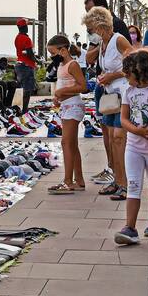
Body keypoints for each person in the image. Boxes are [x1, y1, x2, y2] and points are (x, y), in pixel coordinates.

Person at [115, 51, 148, 245]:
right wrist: (137, 131)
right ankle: (130, 227)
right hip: (134, 147)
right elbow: (123, 119)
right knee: (134, 185)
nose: (127, 79)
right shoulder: (128, 91)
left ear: (140, 71)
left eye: (128, 74)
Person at [85, 6, 131, 199]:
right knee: (113, 140)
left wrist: (112, 75)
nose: (91, 32)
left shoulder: (118, 40)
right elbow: (88, 60)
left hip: (123, 95)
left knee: (119, 139)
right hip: (111, 96)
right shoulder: (103, 45)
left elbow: (134, 64)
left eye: (92, 28)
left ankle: (125, 184)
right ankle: (118, 181)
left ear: (100, 25)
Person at [46, 34, 87, 194]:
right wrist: (59, 97)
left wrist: (62, 91)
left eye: (53, 52)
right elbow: (68, 85)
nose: (51, 56)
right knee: (72, 144)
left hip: (73, 106)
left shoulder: (72, 64)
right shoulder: (62, 66)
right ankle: (79, 180)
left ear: (63, 50)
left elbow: (83, 86)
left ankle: (68, 181)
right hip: (66, 105)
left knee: (66, 143)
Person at [13, 19, 38, 114]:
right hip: (26, 66)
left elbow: (23, 52)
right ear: (24, 27)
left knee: (25, 88)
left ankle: (24, 109)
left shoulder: (17, 38)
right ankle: (24, 111)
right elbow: (30, 53)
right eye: (27, 25)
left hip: (19, 65)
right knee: (27, 90)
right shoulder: (27, 39)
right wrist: (37, 60)